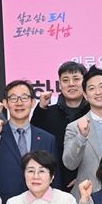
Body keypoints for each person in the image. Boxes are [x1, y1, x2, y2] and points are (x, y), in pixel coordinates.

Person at [0, 80, 58, 204]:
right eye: (13, 98)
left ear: (33, 102)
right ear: (5, 103)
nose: (19, 103)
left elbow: (55, 179)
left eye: (24, 98)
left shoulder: (47, 139)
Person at [63, 66, 102, 201]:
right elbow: (69, 163)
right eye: (91, 88)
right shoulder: (74, 127)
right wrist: (81, 137)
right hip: (87, 197)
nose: (98, 92)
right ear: (85, 95)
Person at [32, 61, 90, 191]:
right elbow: (35, 143)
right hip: (53, 185)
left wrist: (82, 176)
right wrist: (41, 109)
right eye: (65, 80)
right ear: (60, 85)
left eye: (76, 79)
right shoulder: (47, 113)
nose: (71, 84)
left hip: (88, 183)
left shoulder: (93, 114)